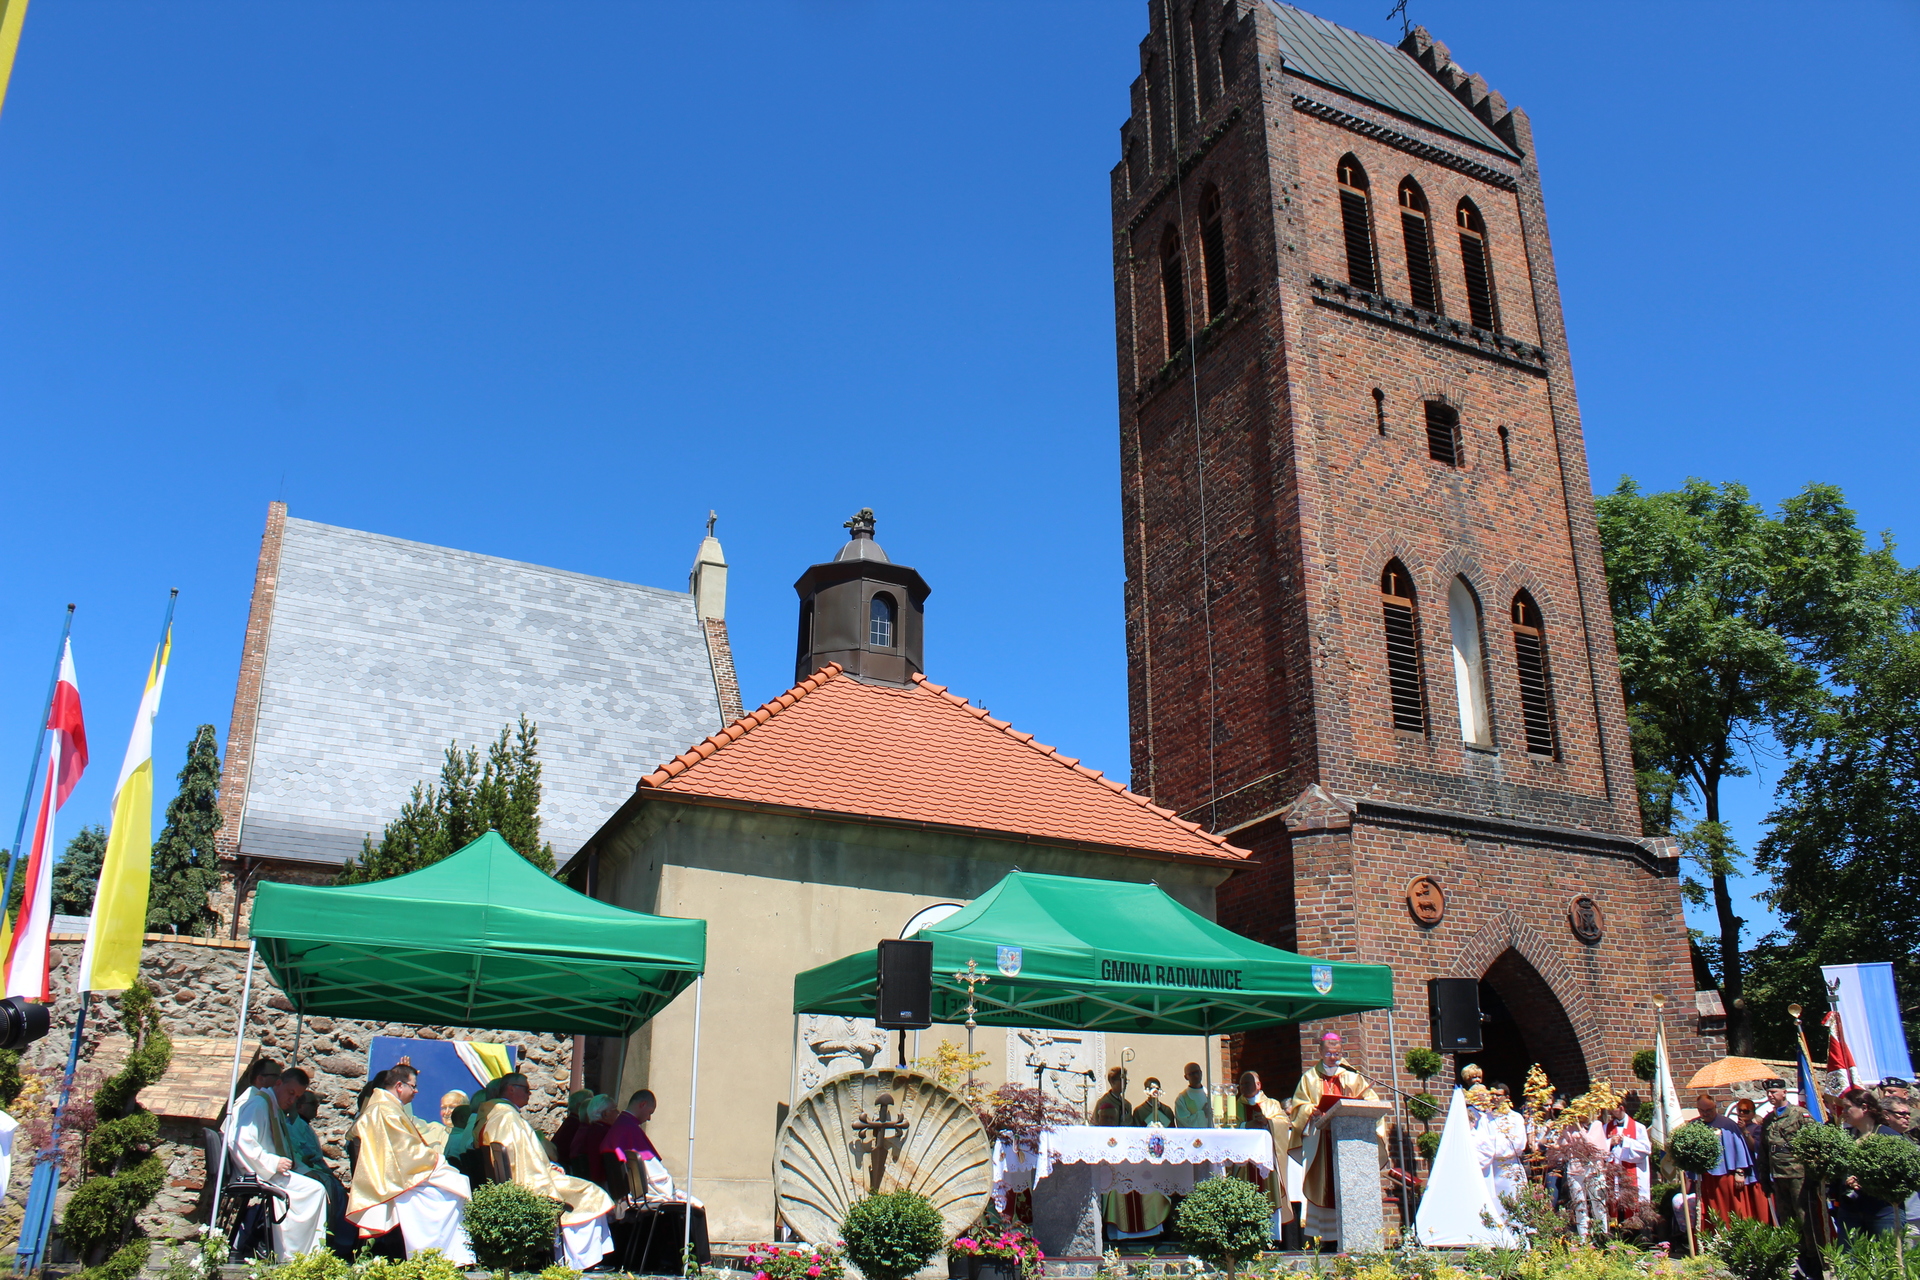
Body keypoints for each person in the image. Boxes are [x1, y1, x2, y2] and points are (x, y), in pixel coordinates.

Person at [478, 1073, 614, 1269]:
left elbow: (523, 1154)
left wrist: (548, 1165)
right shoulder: (508, 1118)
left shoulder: (495, 1114)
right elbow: (524, 1163)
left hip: (527, 1176)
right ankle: (583, 1260)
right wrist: (547, 1180)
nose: (530, 1093)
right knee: (591, 1193)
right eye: (526, 1089)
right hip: (531, 1182)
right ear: (510, 1089)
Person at [347, 1063, 476, 1263]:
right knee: (454, 1189)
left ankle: (445, 1254)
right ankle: (434, 1255)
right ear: (399, 1086)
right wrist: (436, 1159)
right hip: (393, 1180)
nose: (416, 1091)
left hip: (396, 1173)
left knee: (456, 1181)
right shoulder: (385, 1110)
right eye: (413, 1086)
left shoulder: (386, 1106)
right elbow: (405, 1151)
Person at [225, 1058, 327, 1261]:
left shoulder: (273, 1108)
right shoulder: (257, 1104)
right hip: (257, 1172)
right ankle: (293, 1255)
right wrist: (272, 1163)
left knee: (316, 1186)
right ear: (278, 1083)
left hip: (268, 1170)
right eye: (291, 1093)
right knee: (315, 1191)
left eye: (297, 1097)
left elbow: (285, 1150)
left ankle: (302, 1253)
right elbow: (240, 1141)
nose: (292, 1100)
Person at [1285, 1032, 1383, 1244]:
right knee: (1323, 1182)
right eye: (1329, 1053)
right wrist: (1311, 1110)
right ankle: (1327, 1239)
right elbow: (1298, 1107)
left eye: (1337, 1053)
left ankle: (1354, 1232)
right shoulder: (1310, 1078)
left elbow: (1371, 1100)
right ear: (1320, 1052)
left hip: (1348, 1140)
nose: (1333, 1057)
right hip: (1320, 1140)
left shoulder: (1353, 1076)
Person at [600, 1089, 711, 1268]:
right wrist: (672, 1191)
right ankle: (695, 1263)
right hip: (643, 1196)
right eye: (650, 1112)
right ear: (642, 1105)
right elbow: (656, 1173)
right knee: (696, 1207)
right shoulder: (629, 1129)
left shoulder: (620, 1126)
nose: (649, 1118)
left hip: (629, 1196)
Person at [1830, 1087, 1904, 1239]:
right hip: (1850, 1211)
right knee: (1848, 1259)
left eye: (1848, 1107)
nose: (1843, 1112)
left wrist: (1867, 1181)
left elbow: (1903, 1175)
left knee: (1886, 1260)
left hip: (1883, 1212)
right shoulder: (1847, 1137)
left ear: (1864, 1108)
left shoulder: (1889, 1137)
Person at [1695, 1094, 1766, 1228]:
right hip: (1705, 1176)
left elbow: (1739, 1148)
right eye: (1702, 1111)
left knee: (1731, 1209)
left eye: (1709, 1110)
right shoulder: (1695, 1125)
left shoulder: (1727, 1125)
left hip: (1727, 1175)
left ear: (1715, 1107)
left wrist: (1740, 1170)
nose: (1706, 1114)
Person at [1236, 1070, 1291, 1239]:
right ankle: (1246, 1234)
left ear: (1258, 1085)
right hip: (1245, 1162)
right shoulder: (1236, 1105)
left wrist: (1269, 1123)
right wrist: (1247, 1124)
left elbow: (1284, 1123)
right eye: (1242, 1084)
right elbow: (1228, 1126)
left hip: (1266, 1162)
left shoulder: (1272, 1104)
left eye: (1248, 1083)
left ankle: (1270, 1237)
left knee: (1268, 1194)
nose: (1244, 1087)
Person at [1757, 1079, 1812, 1235]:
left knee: (1803, 1215)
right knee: (1786, 1217)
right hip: (1778, 1174)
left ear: (1784, 1092)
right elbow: (1764, 1150)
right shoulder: (1768, 1120)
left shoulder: (1800, 1114)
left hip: (1798, 1174)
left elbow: (1814, 1143)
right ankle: (1793, 1253)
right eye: (1768, 1093)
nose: (1770, 1095)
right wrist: (1764, 1177)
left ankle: (1811, 1256)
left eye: (1774, 1092)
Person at [1478, 1084, 1529, 1205]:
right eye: (1493, 1095)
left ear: (1506, 1097)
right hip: (1492, 1166)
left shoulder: (1516, 1117)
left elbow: (1519, 1143)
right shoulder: (1485, 1119)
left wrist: (1499, 1152)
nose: (1495, 1098)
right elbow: (1482, 1142)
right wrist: (1492, 1153)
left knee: (1515, 1201)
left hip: (1510, 1166)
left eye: (1498, 1095)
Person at [1607, 1095, 1652, 1218]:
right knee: (1617, 1209)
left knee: (1634, 1207)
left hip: (1633, 1174)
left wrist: (1625, 1141)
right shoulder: (1606, 1127)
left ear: (1621, 1108)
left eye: (1613, 1108)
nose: (1610, 1111)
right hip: (1614, 1177)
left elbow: (1645, 1150)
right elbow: (1599, 1150)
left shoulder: (1638, 1127)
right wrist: (1609, 1143)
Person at [569, 1094, 615, 1184]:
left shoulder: (593, 1129)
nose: (618, 1112)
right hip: (601, 1185)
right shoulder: (603, 1133)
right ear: (605, 1114)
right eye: (615, 1109)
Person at [1174, 1061, 1214, 1128]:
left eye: (1197, 1072)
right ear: (1186, 1077)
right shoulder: (1182, 1098)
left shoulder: (1209, 1094)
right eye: (1192, 1074)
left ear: (1201, 1073)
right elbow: (1185, 1122)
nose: (1196, 1075)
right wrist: (1202, 1114)